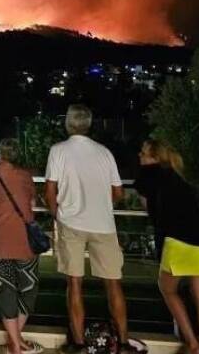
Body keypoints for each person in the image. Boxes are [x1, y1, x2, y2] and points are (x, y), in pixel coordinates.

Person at [44, 105, 133, 354]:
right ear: (89, 124)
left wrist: (57, 214)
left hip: (71, 223)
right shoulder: (104, 153)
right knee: (113, 283)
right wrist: (100, 203)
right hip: (103, 224)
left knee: (74, 283)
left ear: (68, 124)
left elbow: (50, 191)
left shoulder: (58, 151)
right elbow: (118, 192)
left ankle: (79, 344)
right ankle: (124, 342)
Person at [135, 138, 199, 354]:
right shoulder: (177, 177)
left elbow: (150, 211)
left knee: (167, 289)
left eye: (144, 153)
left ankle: (192, 343)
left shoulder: (148, 174)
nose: (140, 156)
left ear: (155, 158)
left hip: (178, 240)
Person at [0, 138, 43, 354]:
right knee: (29, 288)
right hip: (23, 241)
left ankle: (16, 343)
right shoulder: (25, 176)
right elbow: (32, 204)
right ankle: (16, 343)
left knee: (5, 290)